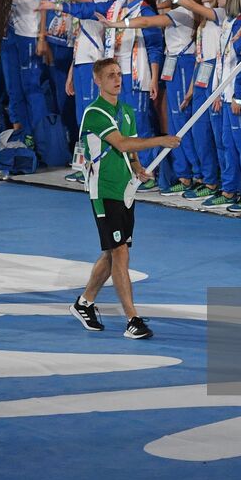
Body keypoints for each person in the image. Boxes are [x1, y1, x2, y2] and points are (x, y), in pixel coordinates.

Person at [69, 57, 180, 339]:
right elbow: (121, 143)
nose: (117, 79)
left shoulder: (127, 111)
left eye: (119, 74)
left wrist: (138, 168)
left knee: (112, 251)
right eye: (110, 75)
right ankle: (133, 319)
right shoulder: (95, 113)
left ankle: (84, 303)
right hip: (104, 192)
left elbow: (130, 152)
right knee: (120, 253)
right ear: (97, 80)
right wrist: (161, 140)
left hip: (125, 191)